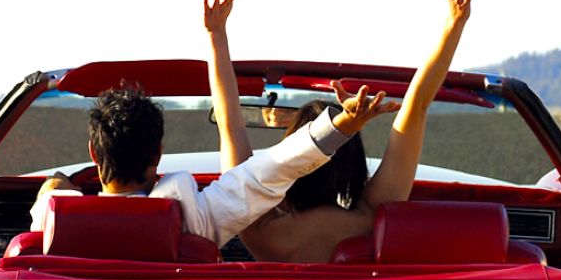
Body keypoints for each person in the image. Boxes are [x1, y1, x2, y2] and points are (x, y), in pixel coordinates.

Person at [203, 0, 479, 262]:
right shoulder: (373, 219)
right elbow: (418, 107)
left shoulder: (260, 229)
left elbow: (230, 124)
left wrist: (216, 35)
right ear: (354, 162)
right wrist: (454, 24)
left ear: (289, 158)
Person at [28, 81, 388, 249]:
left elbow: (51, 199)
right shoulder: (194, 218)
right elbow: (275, 170)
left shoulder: (52, 220)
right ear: (158, 155)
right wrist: (342, 125)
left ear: (94, 152)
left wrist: (56, 187)